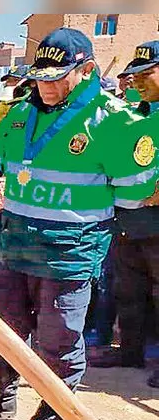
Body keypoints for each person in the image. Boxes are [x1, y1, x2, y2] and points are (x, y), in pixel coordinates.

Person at [0, 28, 152, 420]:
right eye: (41, 76)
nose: (46, 85)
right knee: (1, 324)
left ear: (87, 70)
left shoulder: (113, 121)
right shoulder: (21, 113)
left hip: (69, 249)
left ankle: (56, 407)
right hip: (15, 241)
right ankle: (2, 391)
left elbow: (135, 191)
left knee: (57, 336)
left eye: (57, 76)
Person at [89, 40, 159, 389]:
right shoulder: (134, 112)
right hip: (126, 217)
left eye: (147, 73)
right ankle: (129, 351)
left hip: (157, 219)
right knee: (127, 291)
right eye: (136, 75)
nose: (138, 81)